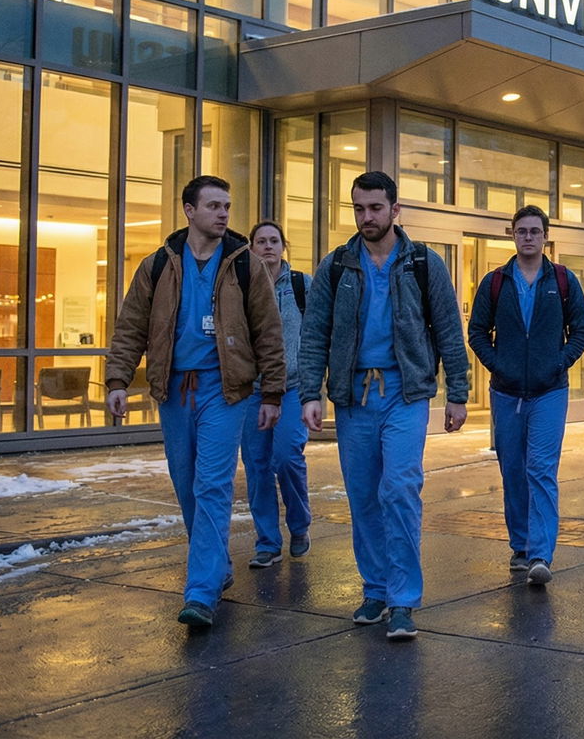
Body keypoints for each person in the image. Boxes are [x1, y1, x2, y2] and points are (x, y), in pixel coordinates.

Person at [104, 175, 287, 629]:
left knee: (212, 484)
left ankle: (201, 590)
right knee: (185, 482)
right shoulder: (158, 266)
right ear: (188, 210)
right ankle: (217, 565)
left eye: (227, 205)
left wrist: (272, 392)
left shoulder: (245, 265)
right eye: (213, 206)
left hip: (224, 391)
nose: (224, 214)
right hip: (172, 389)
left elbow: (269, 332)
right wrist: (118, 379)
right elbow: (131, 327)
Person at [297, 170, 470, 641]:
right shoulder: (337, 266)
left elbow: (449, 329)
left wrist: (458, 391)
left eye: (375, 207)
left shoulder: (421, 262)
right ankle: (375, 589)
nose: (366, 217)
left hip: (404, 392)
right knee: (364, 495)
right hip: (354, 396)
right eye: (358, 208)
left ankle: (403, 599)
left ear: (395, 210)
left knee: (399, 488)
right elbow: (314, 334)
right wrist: (309, 392)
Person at [467, 205, 584, 585]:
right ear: (512, 234)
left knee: (540, 469)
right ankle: (520, 544)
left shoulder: (563, 280)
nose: (528, 237)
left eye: (535, 231)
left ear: (545, 236)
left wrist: (558, 363)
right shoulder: (495, 282)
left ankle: (540, 554)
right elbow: (476, 333)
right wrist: (498, 366)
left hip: (549, 391)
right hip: (505, 392)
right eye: (521, 231)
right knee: (513, 470)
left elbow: (582, 331)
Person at [239, 220, 313, 569]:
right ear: (251, 247)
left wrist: (316, 383)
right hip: (252, 391)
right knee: (257, 467)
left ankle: (299, 526)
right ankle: (267, 541)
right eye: (261, 241)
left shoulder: (301, 285)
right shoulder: (239, 286)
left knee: (286, 457)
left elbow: (317, 333)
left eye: (274, 240)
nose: (267, 246)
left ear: (283, 246)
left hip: (293, 387)